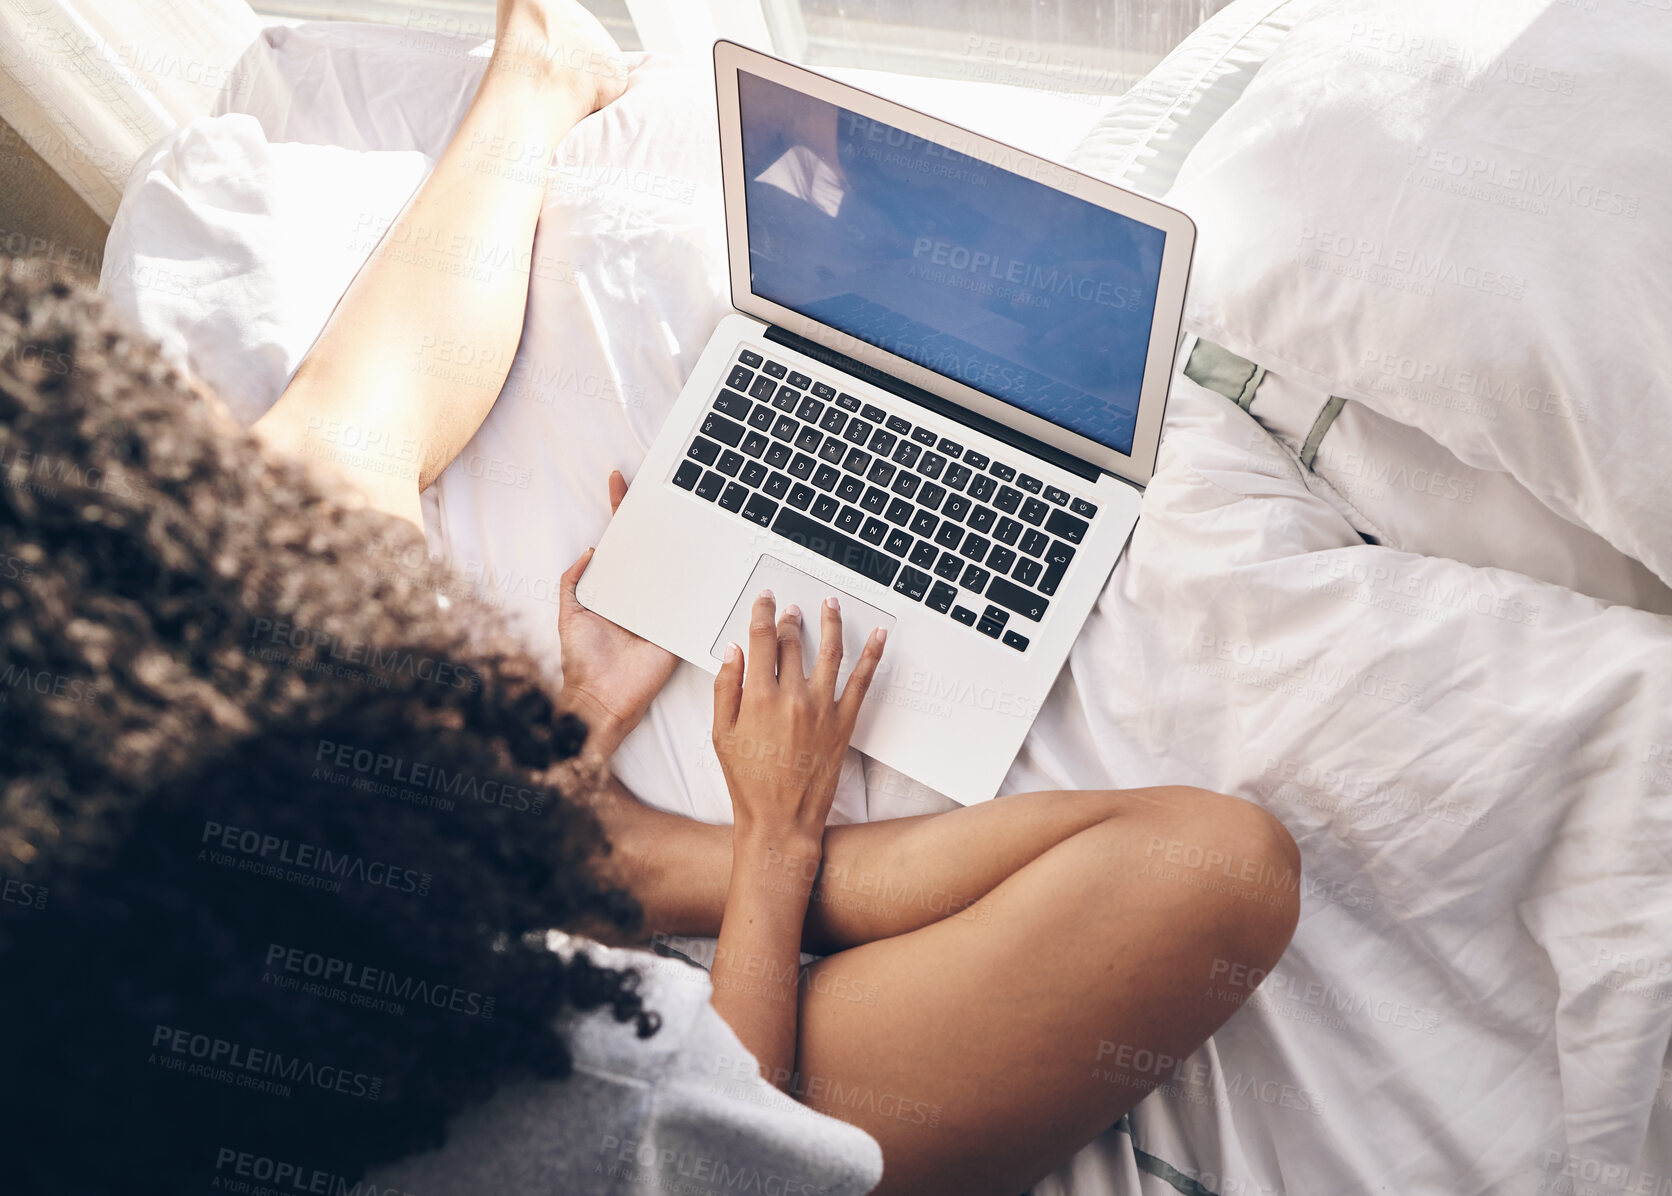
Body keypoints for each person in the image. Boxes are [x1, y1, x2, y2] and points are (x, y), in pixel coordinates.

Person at [0, 3, 1301, 1193]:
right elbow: (738, 1145)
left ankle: (616, 861)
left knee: (326, 461)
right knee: (1222, 874)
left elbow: (344, 439)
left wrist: (529, 87)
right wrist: (767, 852)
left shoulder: (92, 791)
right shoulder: (580, 1090)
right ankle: (637, 867)